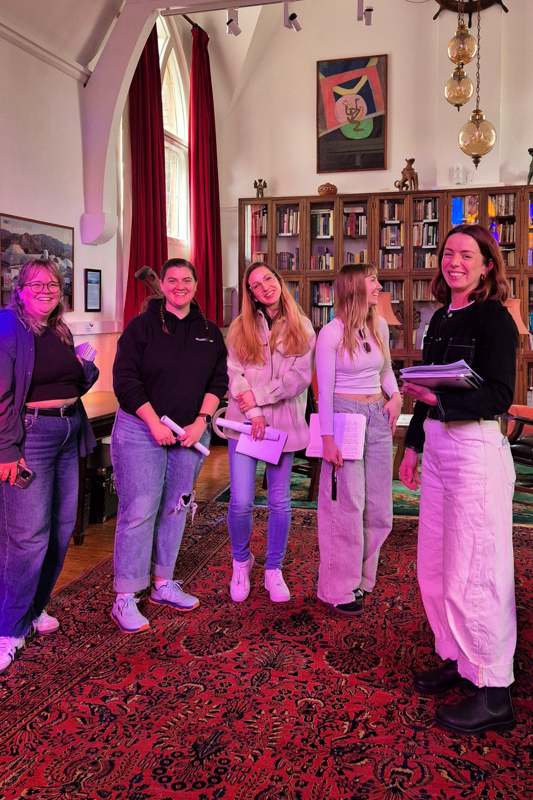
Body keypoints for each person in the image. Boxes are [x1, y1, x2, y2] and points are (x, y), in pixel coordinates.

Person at [399, 224, 518, 735]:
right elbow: (427, 384)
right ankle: (456, 657)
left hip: (474, 447)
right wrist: (413, 445)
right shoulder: (440, 318)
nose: (455, 262)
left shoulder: (496, 320)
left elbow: (496, 396)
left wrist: (439, 403)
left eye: (466, 255)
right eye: (448, 253)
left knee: (478, 566)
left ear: (487, 264)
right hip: (441, 446)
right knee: (438, 560)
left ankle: (494, 688)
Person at [111, 258, 227, 633]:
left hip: (189, 434)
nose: (180, 286)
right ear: (162, 284)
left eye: (187, 280)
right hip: (141, 429)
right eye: (172, 280)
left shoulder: (209, 330)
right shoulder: (141, 326)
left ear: (196, 285)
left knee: (177, 507)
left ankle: (163, 584)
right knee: (140, 509)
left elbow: (218, 381)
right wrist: (152, 423)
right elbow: (125, 379)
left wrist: (201, 422)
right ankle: (125, 597)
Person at [0, 258, 98, 675]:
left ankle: (35, 608)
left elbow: (75, 382)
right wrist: (6, 450)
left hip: (68, 429)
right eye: (36, 284)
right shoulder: (8, 327)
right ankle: (8, 628)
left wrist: (85, 366)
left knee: (60, 529)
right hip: (30, 436)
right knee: (26, 538)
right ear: (19, 288)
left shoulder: (60, 328)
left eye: (53, 284)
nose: (46, 290)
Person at [225, 262, 316, 603]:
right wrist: (254, 410)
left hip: (284, 426)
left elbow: (299, 378)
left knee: (279, 501)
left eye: (268, 279)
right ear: (250, 294)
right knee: (241, 500)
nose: (264, 287)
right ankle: (241, 561)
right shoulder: (240, 326)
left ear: (279, 281)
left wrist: (260, 397)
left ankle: (273, 568)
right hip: (246, 423)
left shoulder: (302, 325)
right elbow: (235, 374)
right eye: (255, 285)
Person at [316, 263, 402, 617]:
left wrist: (394, 396)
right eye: (373, 281)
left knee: (380, 509)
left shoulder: (378, 324)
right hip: (344, 417)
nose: (379, 286)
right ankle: (336, 589)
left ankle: (363, 580)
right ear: (354, 287)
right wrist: (327, 439)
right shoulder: (331, 334)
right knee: (346, 506)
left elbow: (385, 370)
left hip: (379, 417)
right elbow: (324, 390)